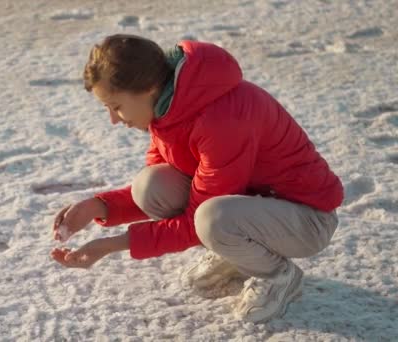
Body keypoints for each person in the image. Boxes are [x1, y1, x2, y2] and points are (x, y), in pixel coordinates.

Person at [49, 34, 343, 323]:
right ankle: (238, 252)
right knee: (151, 185)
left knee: (212, 220)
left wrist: (108, 246)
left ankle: (279, 276)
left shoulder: (222, 119)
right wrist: (97, 206)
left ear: (149, 88)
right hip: (254, 206)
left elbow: (196, 220)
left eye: (116, 106)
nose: (113, 119)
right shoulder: (171, 109)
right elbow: (175, 192)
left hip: (307, 220)